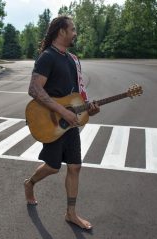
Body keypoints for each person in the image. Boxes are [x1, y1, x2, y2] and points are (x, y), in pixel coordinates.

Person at [24, 16, 100, 230]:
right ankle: (29, 183)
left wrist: (88, 110)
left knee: (75, 167)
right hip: (52, 122)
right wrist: (62, 112)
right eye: (73, 29)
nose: (75, 33)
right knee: (53, 167)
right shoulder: (47, 57)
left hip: (70, 124)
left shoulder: (72, 59)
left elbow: (74, 98)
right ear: (61, 32)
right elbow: (34, 89)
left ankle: (71, 213)